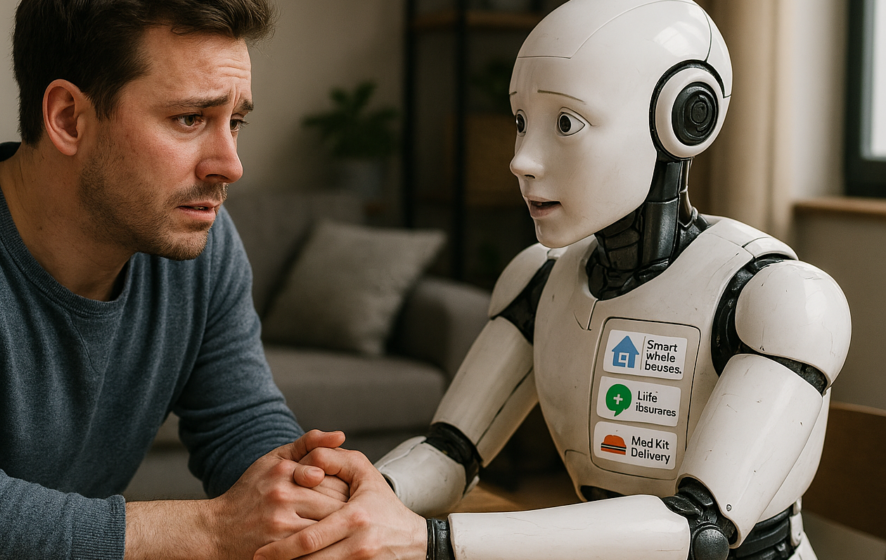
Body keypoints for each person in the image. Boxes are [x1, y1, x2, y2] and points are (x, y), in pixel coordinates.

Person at [0, 1, 419, 558]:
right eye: (189, 118)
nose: (230, 163)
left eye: (236, 121)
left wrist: (313, 491)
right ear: (69, 117)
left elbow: (241, 424)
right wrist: (214, 526)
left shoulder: (198, 243)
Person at [324, 1, 850, 559]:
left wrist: (428, 542)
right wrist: (363, 496)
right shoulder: (540, 280)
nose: (521, 159)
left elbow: (701, 530)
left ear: (684, 116)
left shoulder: (775, 299)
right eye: (522, 122)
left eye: (567, 123)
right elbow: (450, 452)